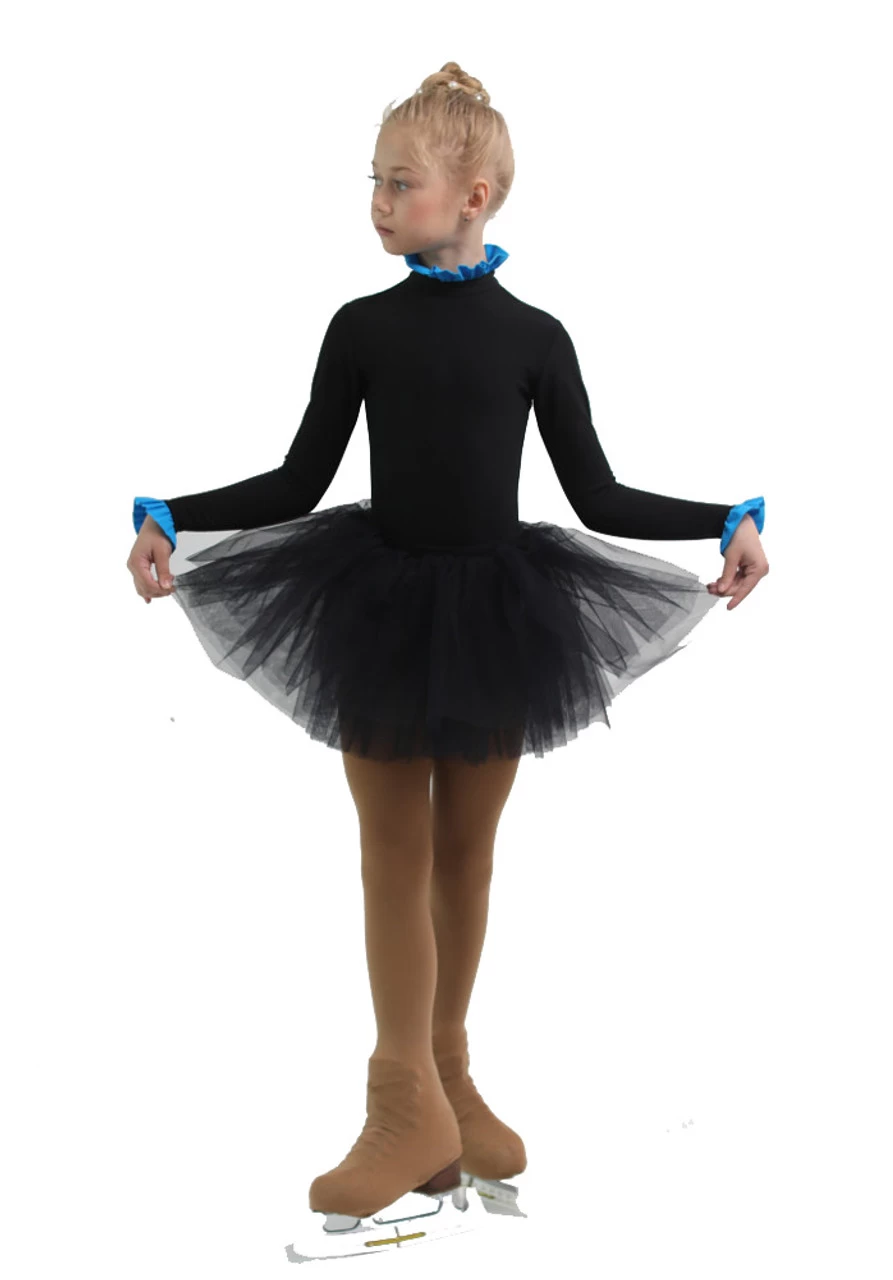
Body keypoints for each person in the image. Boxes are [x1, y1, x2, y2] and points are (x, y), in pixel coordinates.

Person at [125, 63, 769, 1230]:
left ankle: (445, 1080)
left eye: (398, 183)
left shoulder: (536, 338)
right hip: (376, 604)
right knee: (391, 850)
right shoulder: (360, 328)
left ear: (472, 197)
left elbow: (597, 493)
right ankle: (399, 1101)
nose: (377, 203)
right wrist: (174, 510)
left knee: (465, 854)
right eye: (371, 181)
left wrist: (722, 517)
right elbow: (298, 478)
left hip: (496, 612)